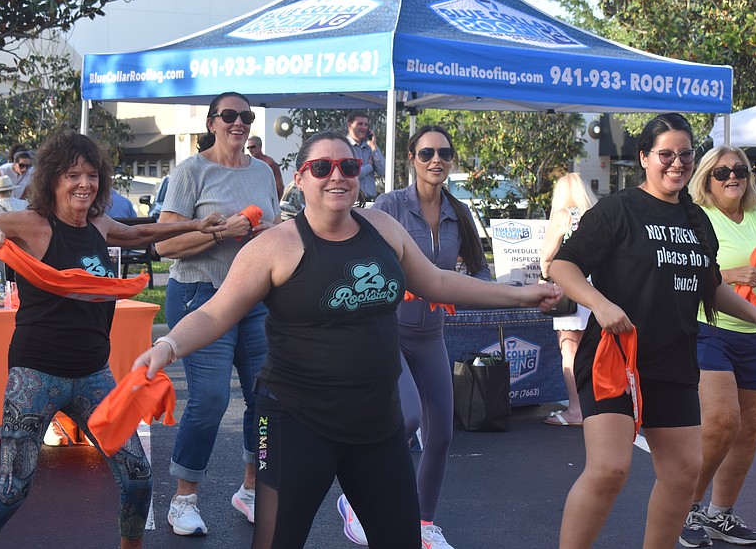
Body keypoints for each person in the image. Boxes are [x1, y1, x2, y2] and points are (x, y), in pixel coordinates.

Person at [132, 130, 561, 549]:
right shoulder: (276, 246)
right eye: (322, 167)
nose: (336, 175)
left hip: (376, 422)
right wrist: (167, 347)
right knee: (277, 540)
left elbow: (438, 283)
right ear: (300, 179)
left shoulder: (383, 229)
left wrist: (521, 294)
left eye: (348, 166)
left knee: (401, 539)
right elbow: (213, 312)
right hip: (293, 422)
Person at [0, 131, 224, 549]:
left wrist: (197, 224)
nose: (84, 184)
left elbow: (138, 234)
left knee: (138, 476)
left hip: (93, 376)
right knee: (13, 489)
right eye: (72, 175)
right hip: (35, 376)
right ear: (52, 181)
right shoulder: (33, 224)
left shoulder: (99, 225)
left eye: (91, 175)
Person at [549, 113, 756, 549]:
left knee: (682, 472)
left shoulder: (697, 220)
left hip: (673, 356)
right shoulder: (618, 210)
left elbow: (710, 286)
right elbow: (562, 264)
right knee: (610, 469)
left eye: (684, 155)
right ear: (644, 157)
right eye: (665, 155)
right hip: (613, 357)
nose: (676, 164)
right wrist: (600, 304)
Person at [338, 124, 489, 549]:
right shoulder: (390, 206)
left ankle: (422, 524)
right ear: (411, 159)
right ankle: (355, 499)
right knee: (405, 417)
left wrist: (460, 286)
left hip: (432, 336)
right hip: (390, 332)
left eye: (443, 153)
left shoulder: (458, 212)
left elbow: (479, 270)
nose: (435, 160)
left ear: (452, 160)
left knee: (441, 433)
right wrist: (398, 284)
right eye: (426, 154)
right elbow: (358, 259)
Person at [156, 91, 281, 536]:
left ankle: (250, 490)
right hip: (200, 294)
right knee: (210, 398)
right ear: (211, 122)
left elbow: (275, 228)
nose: (239, 123)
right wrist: (219, 234)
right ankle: (183, 498)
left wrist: (270, 233)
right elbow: (165, 244)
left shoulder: (264, 172)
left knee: (266, 398)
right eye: (229, 115)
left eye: (246, 116)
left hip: (254, 299)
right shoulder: (192, 171)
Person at [679, 146, 756, 547]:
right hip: (709, 329)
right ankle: (687, 507)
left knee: (749, 430)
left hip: (754, 336)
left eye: (741, 170)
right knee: (720, 424)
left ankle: (720, 515)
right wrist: (730, 274)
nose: (733, 177)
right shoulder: (697, 217)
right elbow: (685, 274)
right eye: (722, 171)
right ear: (707, 178)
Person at [539, 173, 597, 428]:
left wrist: (544, 273)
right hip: (597, 292)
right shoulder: (596, 215)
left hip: (571, 291)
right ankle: (596, 407)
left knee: (569, 350)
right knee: (595, 352)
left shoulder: (563, 216)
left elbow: (547, 257)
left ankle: (576, 409)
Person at [346, 109, 385, 201]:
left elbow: (383, 171)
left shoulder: (369, 147)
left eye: (366, 125)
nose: (364, 128)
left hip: (371, 200)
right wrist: (370, 166)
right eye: (360, 124)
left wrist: (374, 147)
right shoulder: (344, 147)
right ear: (349, 125)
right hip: (353, 202)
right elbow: (352, 174)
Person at [246, 135, 285, 201]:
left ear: (260, 146)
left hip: (266, 201)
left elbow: (279, 186)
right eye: (248, 148)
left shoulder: (270, 163)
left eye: (253, 147)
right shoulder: (248, 163)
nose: (250, 150)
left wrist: (275, 204)